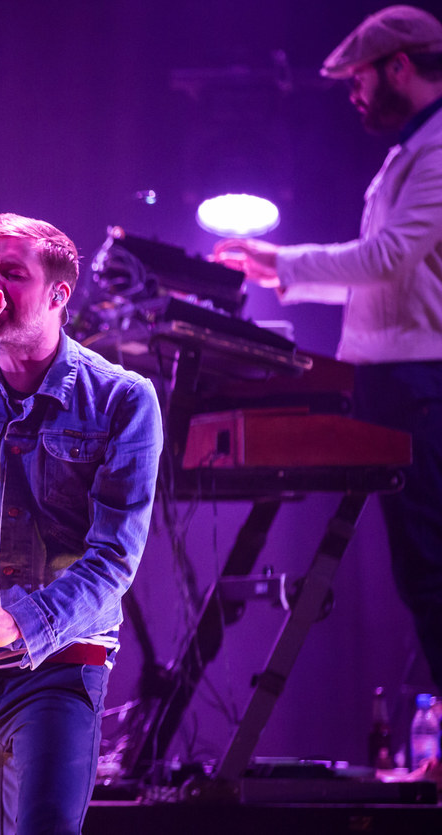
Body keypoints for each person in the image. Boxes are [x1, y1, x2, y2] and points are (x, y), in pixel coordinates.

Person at [0, 214, 163, 834]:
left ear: (57, 295)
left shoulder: (122, 399)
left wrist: (23, 621)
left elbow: (114, 560)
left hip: (56, 662)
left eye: (11, 272)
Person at [213, 5, 442, 696]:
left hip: (420, 381)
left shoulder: (437, 150)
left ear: (398, 66)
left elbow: (391, 256)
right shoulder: (414, 149)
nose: (355, 94)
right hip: (394, 378)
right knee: (418, 570)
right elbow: (391, 284)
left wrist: (286, 259)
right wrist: (277, 271)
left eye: (360, 79)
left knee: (431, 566)